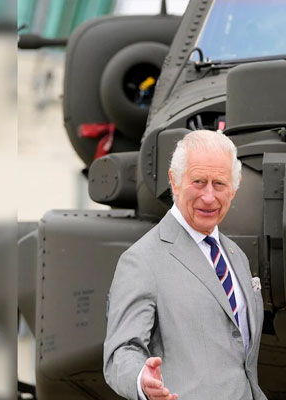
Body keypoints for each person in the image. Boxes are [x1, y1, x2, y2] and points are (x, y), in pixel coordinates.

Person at [103, 130, 267, 400]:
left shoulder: (236, 256)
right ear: (174, 182)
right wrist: (141, 381)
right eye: (199, 182)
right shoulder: (142, 260)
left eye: (220, 184)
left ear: (234, 189)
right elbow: (122, 351)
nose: (209, 197)